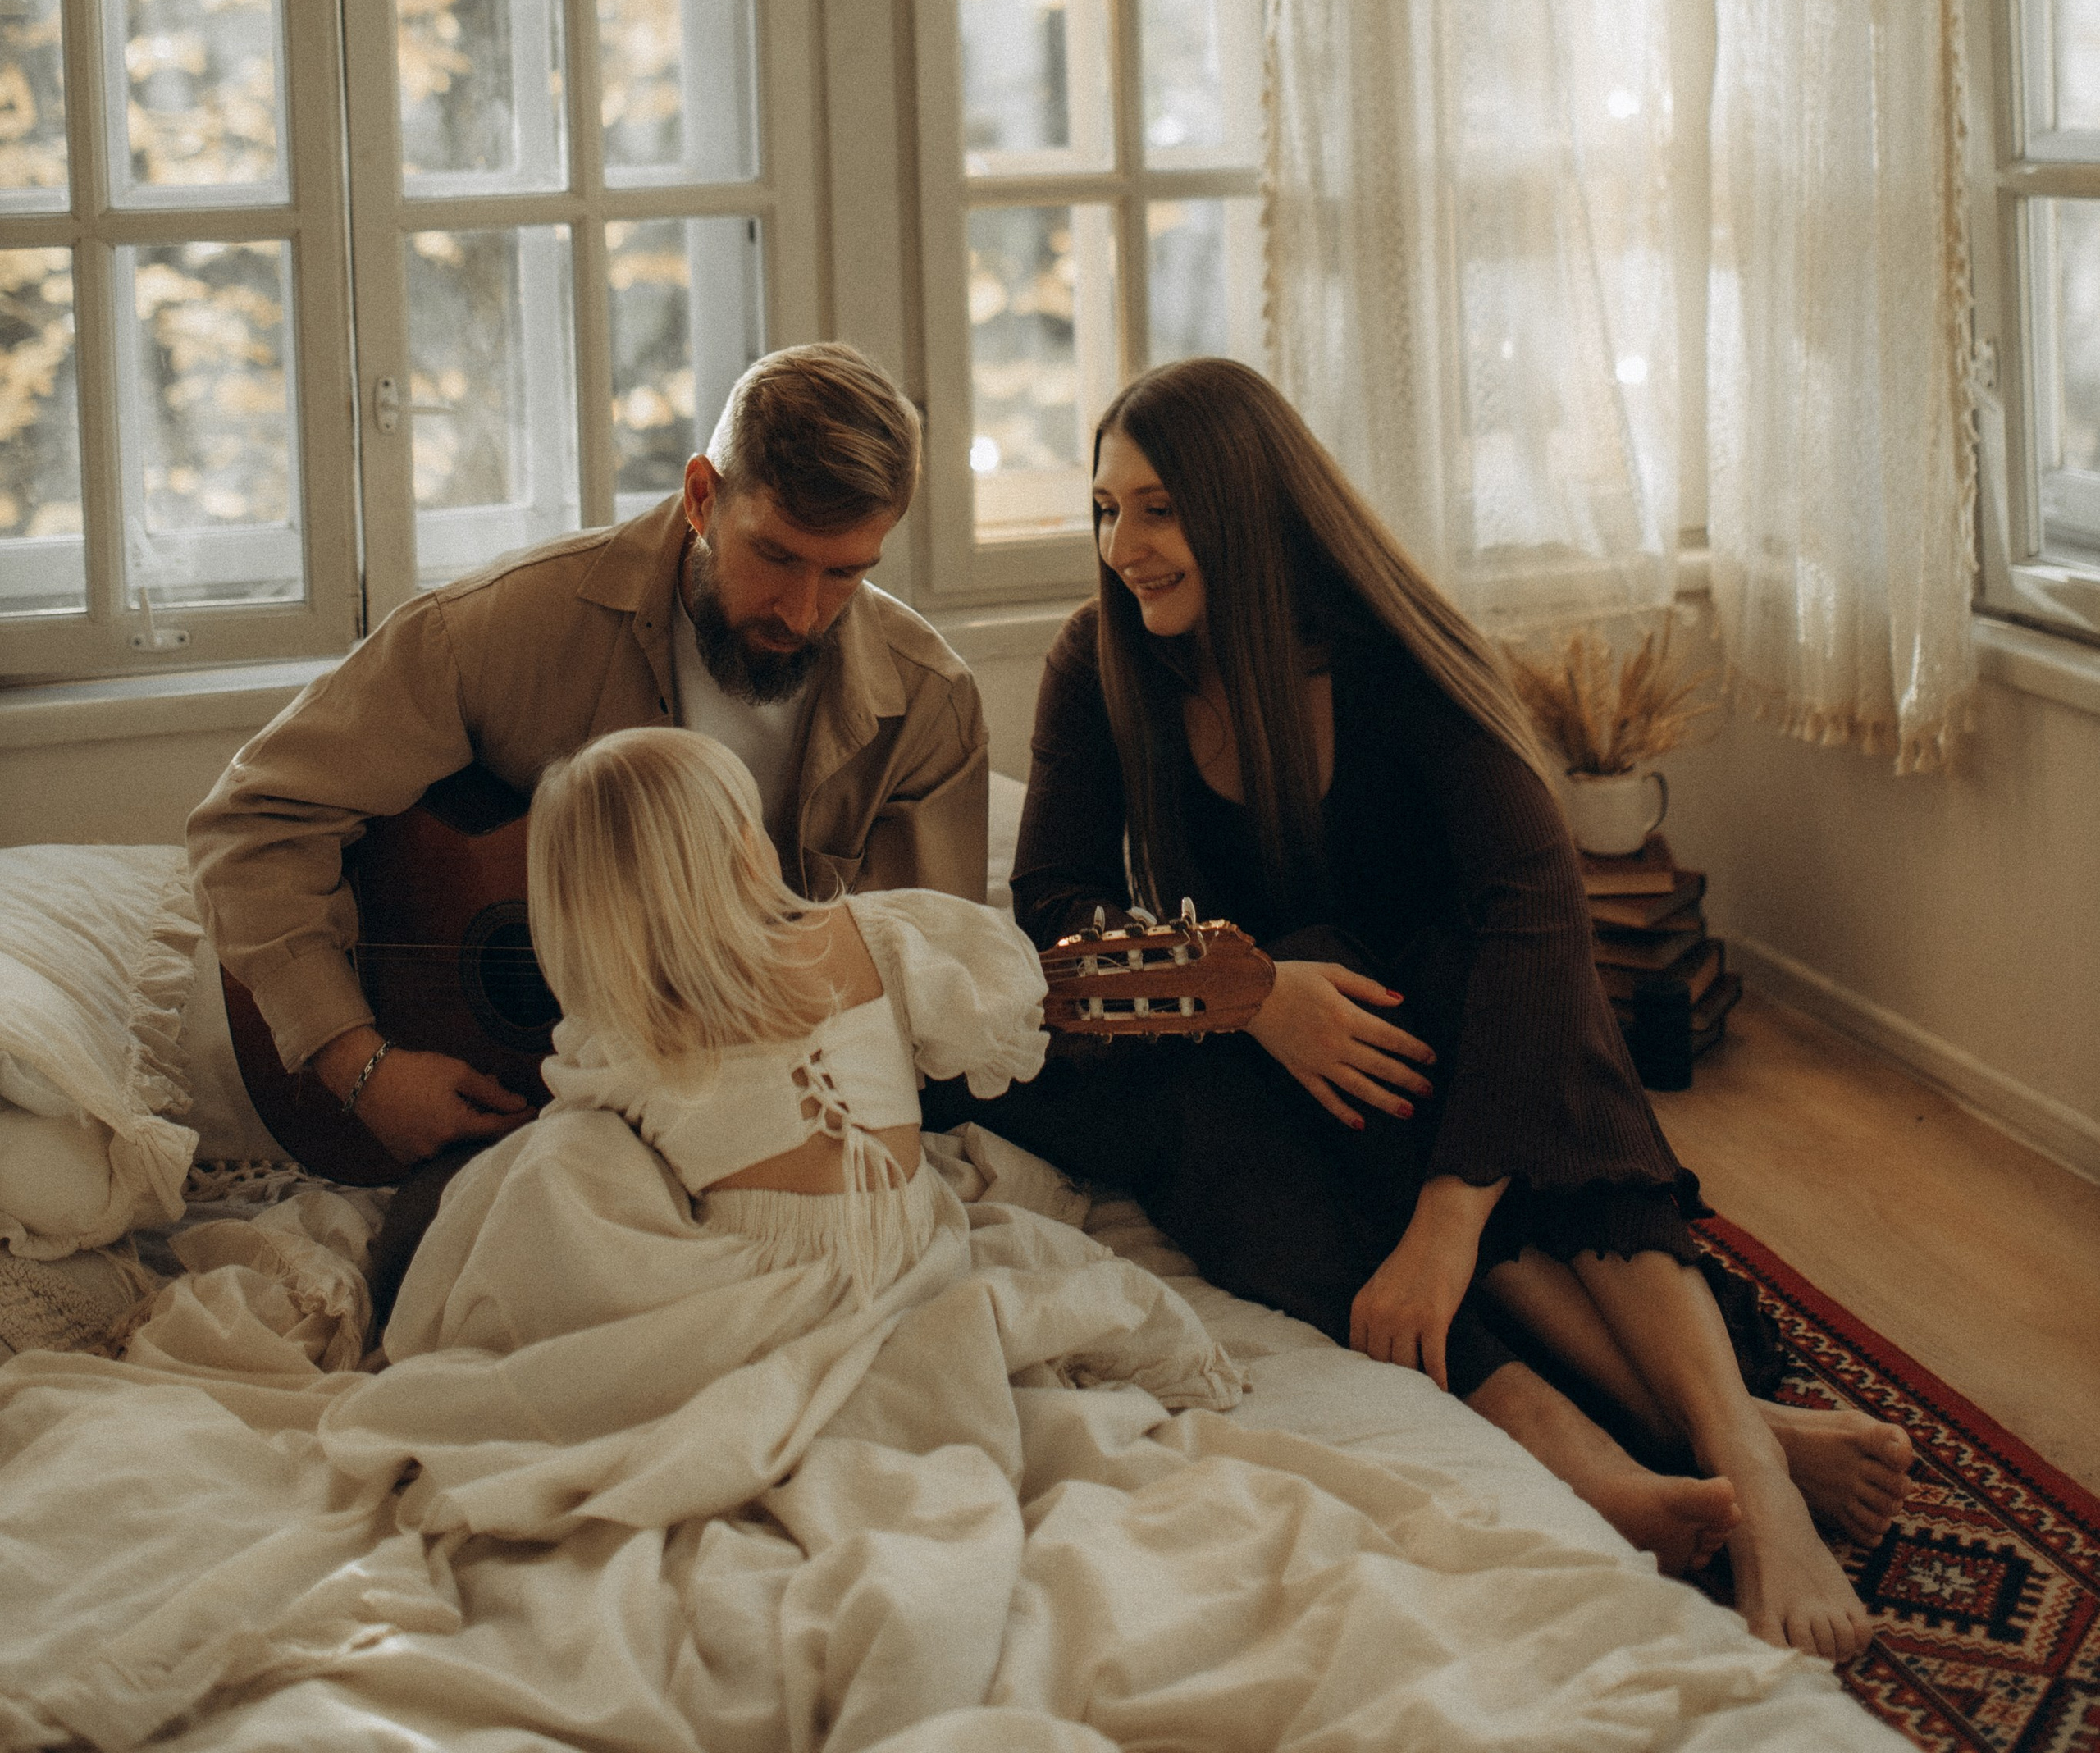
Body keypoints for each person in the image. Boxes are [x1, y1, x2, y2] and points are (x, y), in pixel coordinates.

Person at [976, 358, 1912, 1662]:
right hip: (1277, 1049)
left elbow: (1537, 910)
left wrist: (1449, 1216)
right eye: (1104, 510)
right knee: (1227, 1093)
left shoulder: (1395, 658)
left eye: (1159, 510)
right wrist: (1250, 993)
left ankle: (1746, 1463)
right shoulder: (1102, 661)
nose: (1123, 549)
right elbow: (1053, 915)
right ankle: (1584, 1436)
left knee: (1520, 999)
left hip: (1465, 1051)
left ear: (1245, 510)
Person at [189, 343, 988, 1175]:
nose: (803, 612)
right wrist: (361, 1067)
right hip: (527, 1112)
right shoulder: (504, 629)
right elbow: (252, 822)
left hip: (761, 1116)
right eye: (776, 555)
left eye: (846, 574)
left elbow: (926, 993)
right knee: (457, 1268)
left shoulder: (926, 705)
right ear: (701, 497)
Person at [383, 725, 1052, 1365]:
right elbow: (981, 1031)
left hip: (763, 1298)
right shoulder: (879, 935)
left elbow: (584, 1120)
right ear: (745, 849)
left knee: (556, 1158)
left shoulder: (630, 1036)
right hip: (913, 1249)